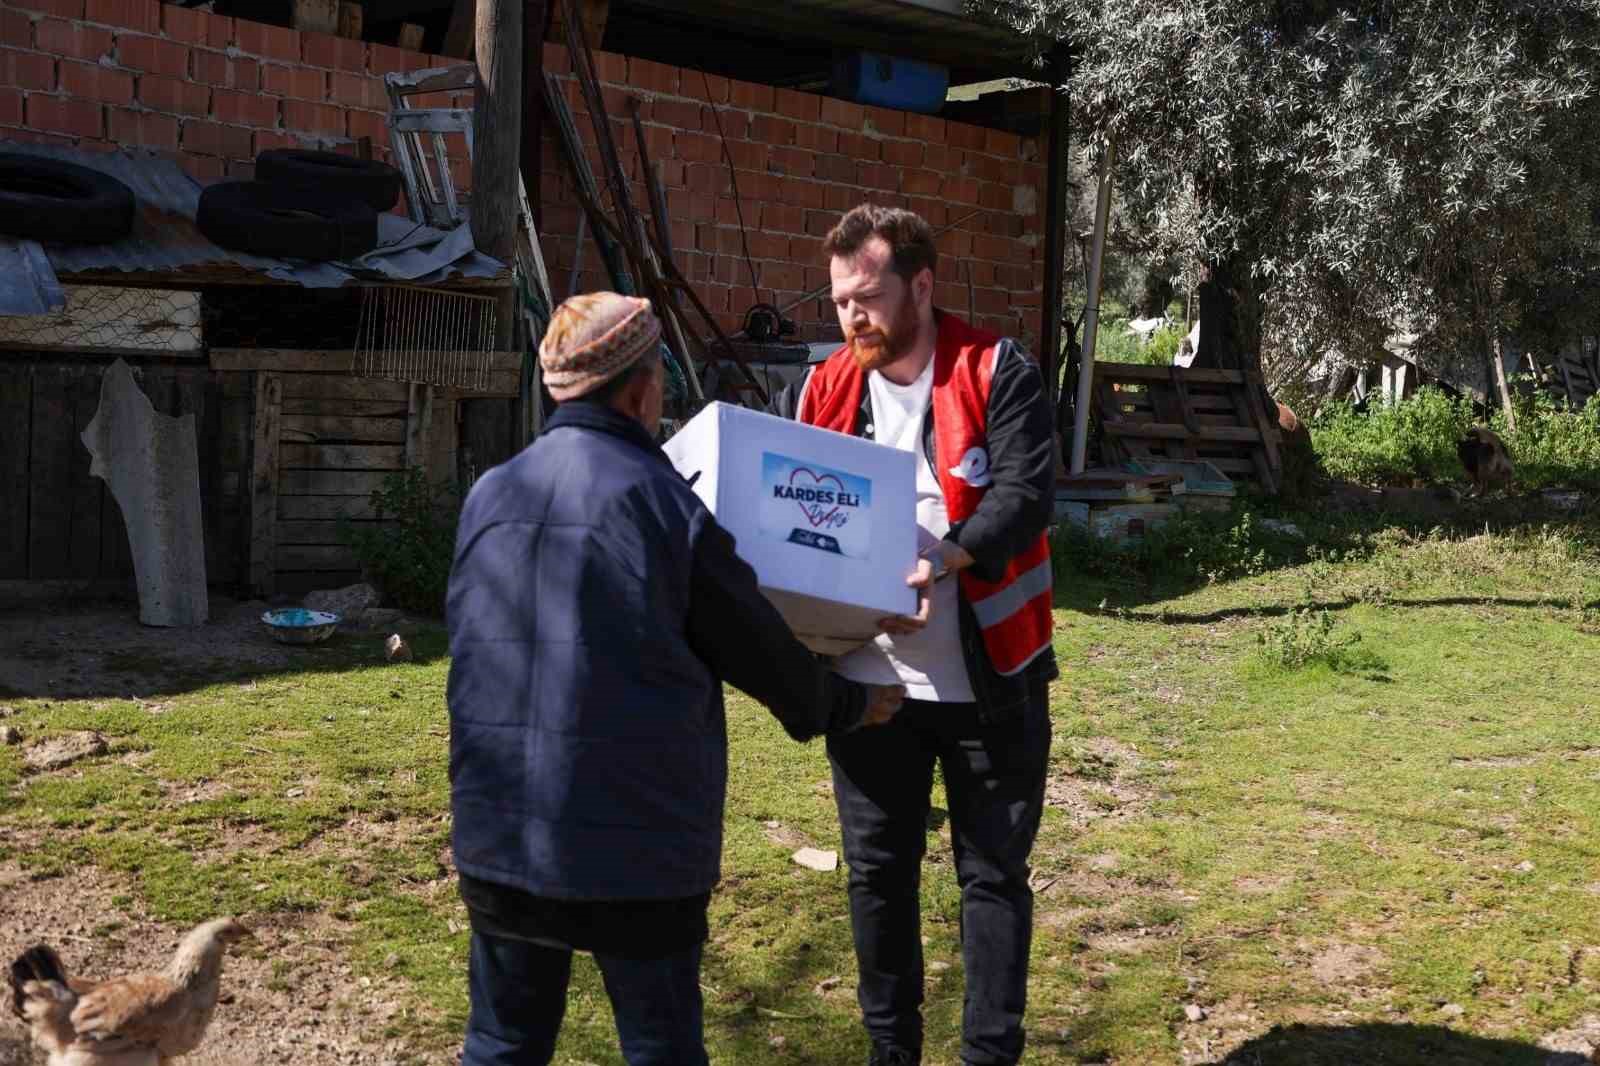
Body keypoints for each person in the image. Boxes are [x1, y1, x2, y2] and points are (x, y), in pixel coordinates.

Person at [446, 291, 906, 1066]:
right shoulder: (664, 506)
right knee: (660, 1048)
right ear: (642, 386)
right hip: (637, 855)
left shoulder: (489, 497)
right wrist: (855, 702)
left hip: (501, 841)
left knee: (500, 1045)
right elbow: (767, 660)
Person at [770, 204, 1058, 1066]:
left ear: (922, 286)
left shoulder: (998, 370)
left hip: (991, 682)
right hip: (869, 690)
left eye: (868, 296)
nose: (851, 317)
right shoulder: (818, 389)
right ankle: (889, 1055)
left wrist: (947, 557)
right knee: (877, 880)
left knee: (993, 880)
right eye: (839, 302)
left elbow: (1024, 494)